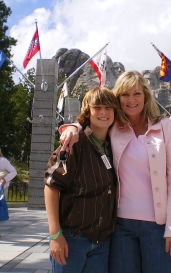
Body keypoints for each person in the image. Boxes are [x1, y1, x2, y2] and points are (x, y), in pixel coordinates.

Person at [60, 70, 171, 273]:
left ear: (146, 95)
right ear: (118, 98)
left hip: (159, 226)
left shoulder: (167, 129)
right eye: (124, 94)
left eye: (136, 93)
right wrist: (74, 127)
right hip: (120, 226)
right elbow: (91, 122)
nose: (131, 100)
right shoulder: (113, 127)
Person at [44, 87, 120, 273]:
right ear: (88, 111)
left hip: (102, 243)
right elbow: (51, 185)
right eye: (98, 107)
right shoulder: (75, 143)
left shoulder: (112, 145)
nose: (103, 112)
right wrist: (55, 235)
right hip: (72, 239)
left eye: (109, 107)